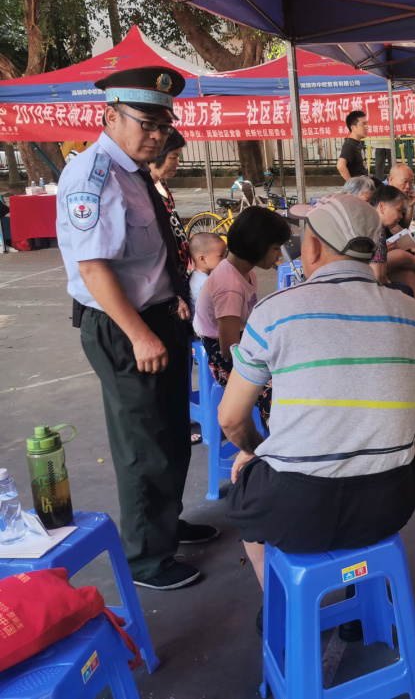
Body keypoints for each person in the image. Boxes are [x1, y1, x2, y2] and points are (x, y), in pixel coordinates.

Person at [219, 194, 415, 614]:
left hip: (295, 509)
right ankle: (364, 602)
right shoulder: (412, 313)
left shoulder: (275, 311)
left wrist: (256, 451)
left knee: (246, 490)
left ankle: (281, 610)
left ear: (313, 247)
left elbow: (230, 419)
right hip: (391, 501)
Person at [56, 66, 215, 590]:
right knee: (144, 442)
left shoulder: (136, 174)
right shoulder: (93, 175)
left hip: (158, 318)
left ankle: (165, 525)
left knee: (171, 432)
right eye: (146, 123)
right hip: (125, 326)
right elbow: (93, 269)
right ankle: (147, 558)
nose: (157, 135)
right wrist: (139, 334)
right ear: (109, 116)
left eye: (164, 126)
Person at [194, 206, 291, 430]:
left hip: (242, 339)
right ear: (258, 245)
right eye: (276, 248)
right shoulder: (229, 286)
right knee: (274, 387)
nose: (279, 255)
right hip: (224, 355)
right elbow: (229, 349)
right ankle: (276, 439)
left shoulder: (245, 273)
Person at [369, 185, 415, 309]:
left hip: (373, 269)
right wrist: (388, 282)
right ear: (382, 206)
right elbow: (378, 275)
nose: (400, 216)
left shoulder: (378, 224)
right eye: (398, 210)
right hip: (364, 273)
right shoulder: (374, 226)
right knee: (401, 255)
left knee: (408, 273)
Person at [149, 128, 190, 320]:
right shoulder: (145, 191)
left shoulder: (161, 184)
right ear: (158, 154)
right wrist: (173, 292)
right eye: (173, 157)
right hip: (166, 287)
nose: (177, 163)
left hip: (180, 276)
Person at [187, 231, 227, 315]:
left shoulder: (194, 276)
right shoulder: (206, 284)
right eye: (221, 256)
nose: (224, 259)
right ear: (202, 259)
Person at [336, 110, 369, 180]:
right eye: (363, 124)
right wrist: (351, 183)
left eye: (366, 124)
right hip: (358, 186)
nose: (366, 127)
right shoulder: (349, 144)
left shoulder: (356, 142)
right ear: (353, 128)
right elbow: (340, 165)